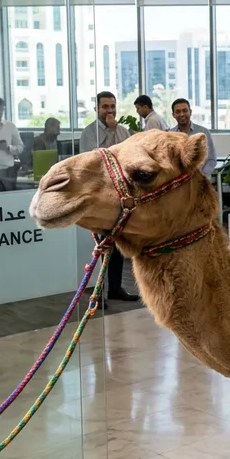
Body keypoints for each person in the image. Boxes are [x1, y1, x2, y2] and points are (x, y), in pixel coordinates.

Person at [79, 92, 138, 303]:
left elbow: (129, 158)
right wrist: (109, 132)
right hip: (98, 196)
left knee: (118, 245)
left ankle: (115, 288)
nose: (110, 111)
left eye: (112, 106)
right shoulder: (89, 132)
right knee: (101, 246)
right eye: (105, 107)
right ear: (97, 109)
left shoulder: (123, 131)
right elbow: (93, 159)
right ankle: (98, 293)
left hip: (120, 197)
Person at [170, 98, 217, 177]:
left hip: (200, 179)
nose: (182, 114)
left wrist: (202, 175)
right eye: (178, 112)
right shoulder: (170, 135)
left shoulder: (203, 133)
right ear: (173, 115)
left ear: (190, 112)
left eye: (185, 110)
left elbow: (211, 159)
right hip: (178, 182)